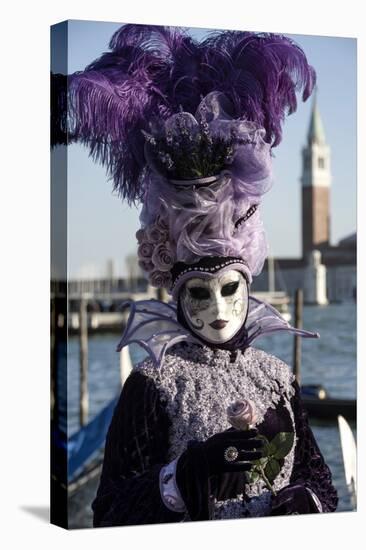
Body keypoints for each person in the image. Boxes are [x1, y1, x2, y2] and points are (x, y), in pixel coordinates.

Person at [51, 23, 338, 526]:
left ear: (249, 286)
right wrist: (185, 478)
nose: (220, 309)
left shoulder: (278, 377)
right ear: (177, 296)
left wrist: (306, 503)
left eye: (231, 290)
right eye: (200, 294)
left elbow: (319, 481)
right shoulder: (153, 384)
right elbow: (109, 513)